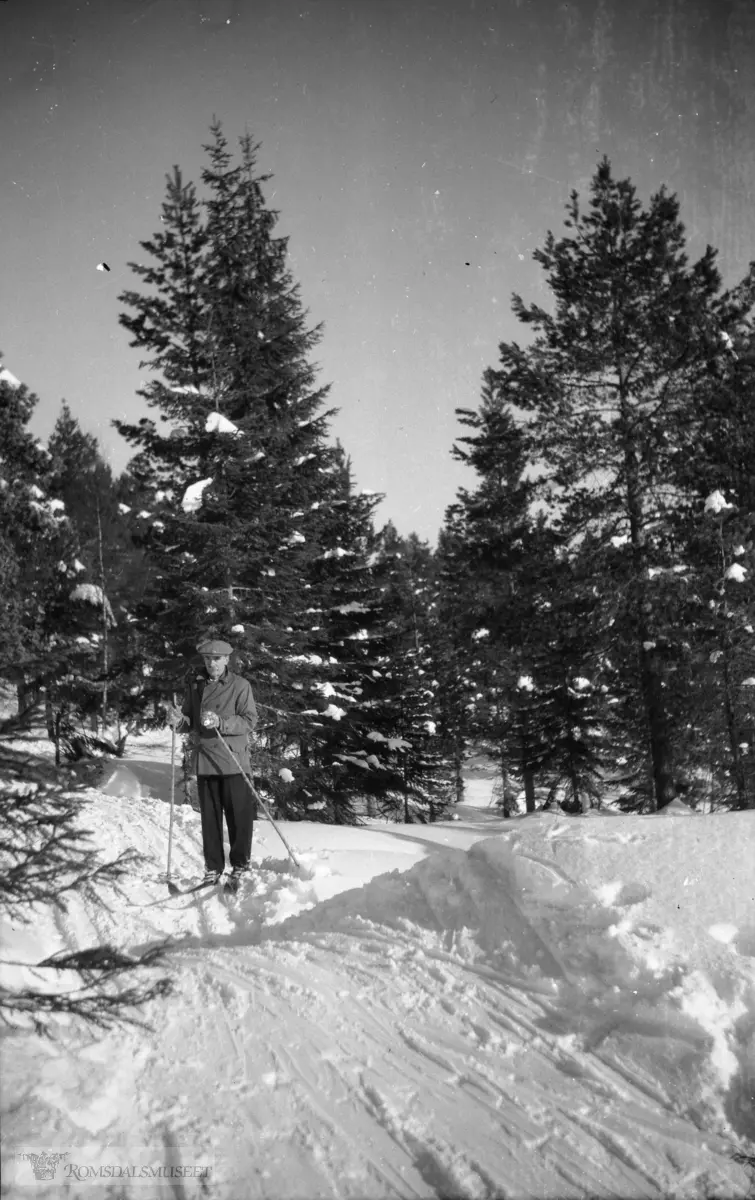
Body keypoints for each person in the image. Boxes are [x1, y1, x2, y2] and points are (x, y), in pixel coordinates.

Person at [166, 639, 258, 891]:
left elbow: (250, 720)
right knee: (210, 819)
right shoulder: (195, 685)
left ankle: (240, 864)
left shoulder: (240, 685)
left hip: (233, 760)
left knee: (239, 817)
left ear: (227, 660)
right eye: (207, 659)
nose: (211, 663)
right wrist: (177, 720)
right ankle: (213, 867)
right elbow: (189, 721)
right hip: (206, 760)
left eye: (216, 659)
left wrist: (221, 721)